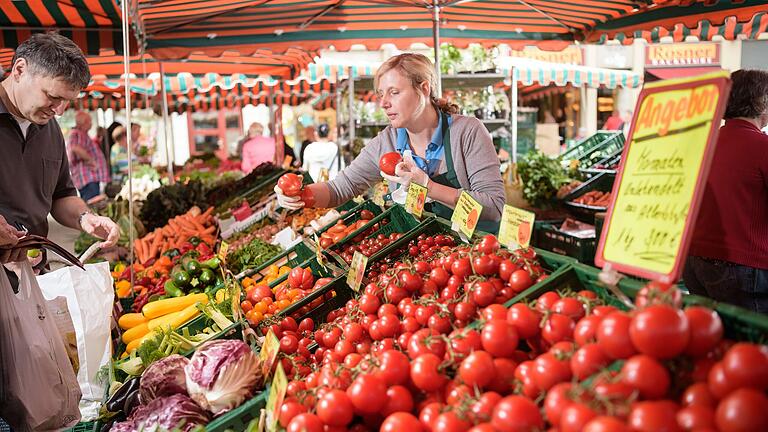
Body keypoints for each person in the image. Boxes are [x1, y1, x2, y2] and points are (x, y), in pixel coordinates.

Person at [275, 53, 505, 229]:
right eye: (380, 95)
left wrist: (429, 187)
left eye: (394, 92)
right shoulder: (386, 142)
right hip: (426, 260)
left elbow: (494, 208)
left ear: (424, 89)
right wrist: (301, 195)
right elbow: (339, 189)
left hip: (475, 255)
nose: (383, 103)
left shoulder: (467, 132)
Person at [0, 32, 119, 263]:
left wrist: (85, 218)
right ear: (19, 70)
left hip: (29, 271)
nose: (60, 110)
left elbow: (61, 195)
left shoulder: (50, 129)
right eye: (52, 96)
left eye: (68, 101)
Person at [684, 69, 768, 313]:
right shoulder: (762, 146)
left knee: (713, 342)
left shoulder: (702, 144)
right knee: (750, 344)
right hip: (743, 268)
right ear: (760, 102)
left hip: (694, 262)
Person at [66, 111, 110, 201]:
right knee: (91, 206)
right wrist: (91, 161)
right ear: (85, 122)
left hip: (89, 180)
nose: (91, 123)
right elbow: (75, 148)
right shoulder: (78, 133)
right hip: (88, 179)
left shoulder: (81, 134)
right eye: (90, 121)